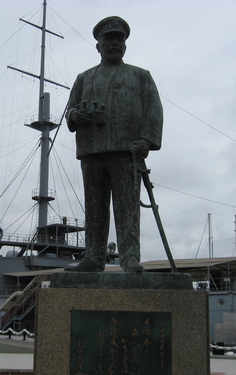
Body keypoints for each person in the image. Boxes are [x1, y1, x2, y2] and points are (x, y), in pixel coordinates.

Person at [65, 16, 163, 273]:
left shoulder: (140, 76)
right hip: (92, 150)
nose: (114, 43)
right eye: (108, 39)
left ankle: (130, 257)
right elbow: (70, 112)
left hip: (127, 151)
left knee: (127, 207)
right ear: (98, 45)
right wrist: (76, 115)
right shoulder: (83, 78)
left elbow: (154, 111)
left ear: (125, 45)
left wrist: (146, 140)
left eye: (119, 38)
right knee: (94, 208)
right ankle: (94, 257)